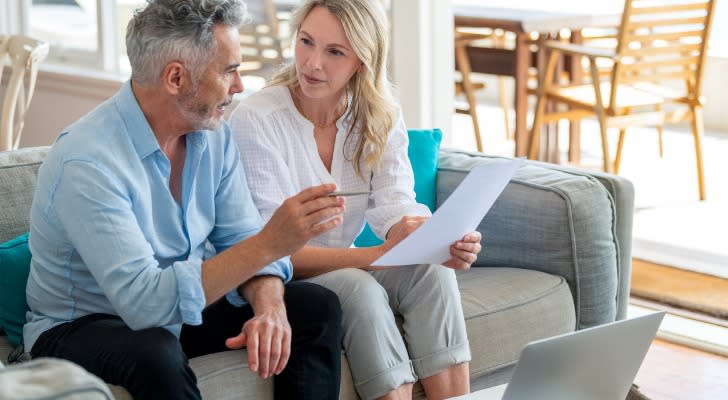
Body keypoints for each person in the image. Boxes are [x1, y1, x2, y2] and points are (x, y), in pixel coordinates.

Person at [23, 1, 346, 399]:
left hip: (177, 307)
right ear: (176, 77)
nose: (240, 85)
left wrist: (269, 307)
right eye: (229, 70)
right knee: (156, 351)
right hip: (82, 326)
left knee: (317, 308)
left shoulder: (213, 134)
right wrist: (271, 243)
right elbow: (144, 304)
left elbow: (239, 237)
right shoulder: (88, 161)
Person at [228, 0, 483, 399]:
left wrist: (436, 241)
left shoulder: (379, 115)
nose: (312, 63)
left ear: (361, 61)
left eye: (334, 52)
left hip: (345, 262)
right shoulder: (257, 119)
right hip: (285, 277)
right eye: (306, 42)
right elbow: (271, 250)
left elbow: (396, 205)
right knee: (358, 287)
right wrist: (378, 256)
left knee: (433, 273)